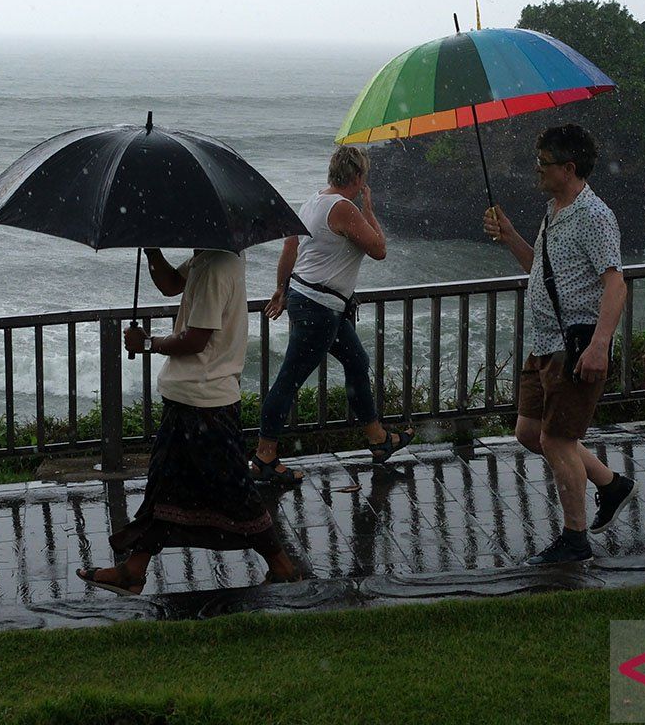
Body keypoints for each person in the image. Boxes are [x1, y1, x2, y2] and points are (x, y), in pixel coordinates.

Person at [77, 248, 299, 594]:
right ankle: (133, 570)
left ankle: (283, 565)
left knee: (235, 489)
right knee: (163, 486)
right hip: (192, 398)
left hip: (204, 401)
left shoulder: (215, 267)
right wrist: (151, 251)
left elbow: (197, 339)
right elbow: (169, 284)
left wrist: (148, 342)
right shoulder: (210, 258)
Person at [482, 124, 634, 565]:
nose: (537, 170)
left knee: (557, 439)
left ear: (568, 168)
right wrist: (510, 235)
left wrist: (599, 345)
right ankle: (611, 484)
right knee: (530, 432)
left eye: (544, 163)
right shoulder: (555, 209)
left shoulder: (594, 216)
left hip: (575, 344)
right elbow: (542, 272)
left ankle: (575, 539)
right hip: (545, 342)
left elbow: (616, 283)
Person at [254, 146, 413, 485]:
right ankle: (264, 456)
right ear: (357, 178)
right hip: (319, 307)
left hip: (309, 297)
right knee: (289, 379)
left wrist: (282, 288)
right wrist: (368, 210)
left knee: (356, 361)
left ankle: (378, 439)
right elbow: (380, 250)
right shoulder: (344, 208)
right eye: (363, 179)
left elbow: (289, 248)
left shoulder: (313, 201)